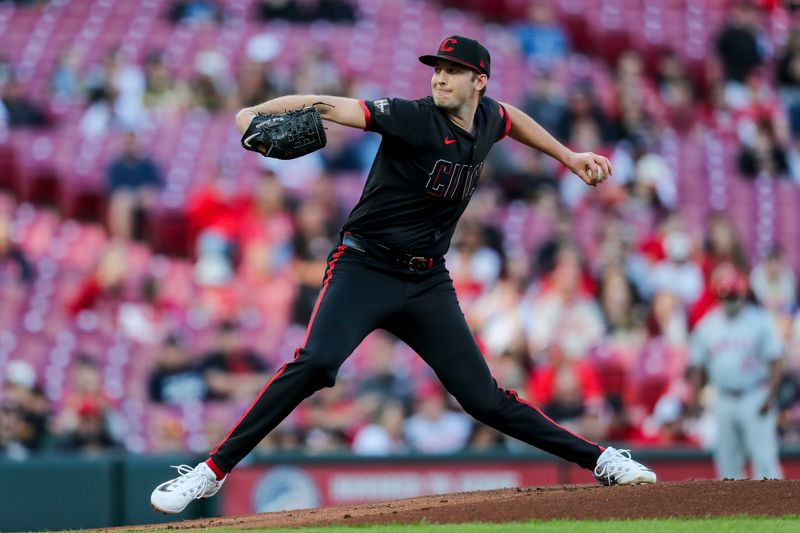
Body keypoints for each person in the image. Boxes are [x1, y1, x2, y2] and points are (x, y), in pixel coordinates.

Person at [150, 35, 656, 515]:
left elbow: (511, 119)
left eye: (453, 71)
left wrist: (568, 157)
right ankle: (210, 471)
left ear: (479, 81)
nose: (440, 78)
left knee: (484, 400)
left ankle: (601, 460)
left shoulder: (487, 118)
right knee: (317, 363)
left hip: (426, 280)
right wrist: (253, 113)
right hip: (364, 265)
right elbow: (328, 106)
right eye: (437, 68)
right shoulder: (413, 117)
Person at [687, 263, 785, 480]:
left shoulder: (760, 321)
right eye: (726, 295)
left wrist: (770, 396)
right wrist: (695, 400)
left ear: (742, 293)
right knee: (727, 462)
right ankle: (731, 510)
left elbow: (777, 361)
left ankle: (774, 508)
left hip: (755, 394)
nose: (730, 301)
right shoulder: (707, 325)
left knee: (764, 459)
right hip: (722, 397)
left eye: (733, 295)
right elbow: (696, 366)